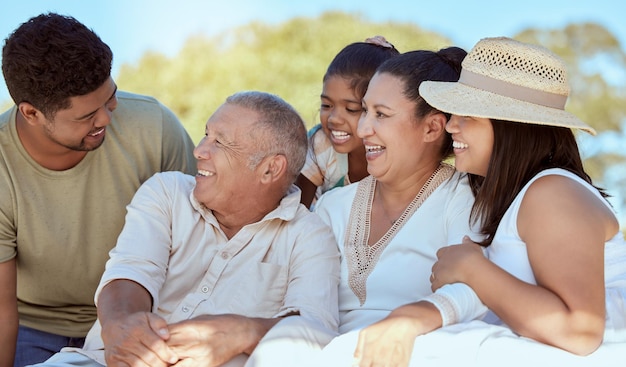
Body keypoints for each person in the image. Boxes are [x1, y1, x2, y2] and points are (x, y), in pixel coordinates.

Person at [324, 37, 626, 367]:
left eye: (466, 116)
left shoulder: (552, 193)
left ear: (508, 127)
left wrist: (473, 270)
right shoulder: (516, 196)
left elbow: (580, 332)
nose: (451, 126)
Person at [29, 91, 341, 367]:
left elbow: (317, 331)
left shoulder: (310, 235)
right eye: (206, 134)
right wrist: (123, 327)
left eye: (220, 141)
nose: (199, 150)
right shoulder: (167, 191)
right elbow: (131, 271)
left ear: (270, 169)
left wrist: (243, 331)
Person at [0, 13, 197, 367]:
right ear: (30, 113)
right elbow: (0, 309)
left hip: (144, 313)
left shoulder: (155, 127)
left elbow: (205, 239)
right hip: (33, 327)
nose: (106, 118)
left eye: (111, 98)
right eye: (87, 115)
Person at [296, 36, 399, 208]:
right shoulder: (320, 143)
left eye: (351, 109)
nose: (334, 119)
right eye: (326, 105)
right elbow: (297, 211)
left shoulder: (396, 158)